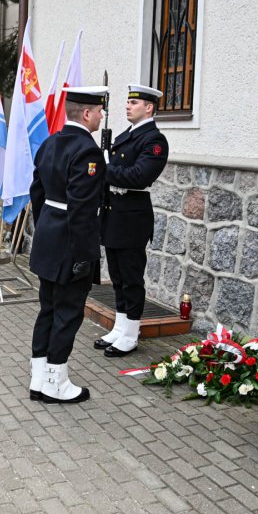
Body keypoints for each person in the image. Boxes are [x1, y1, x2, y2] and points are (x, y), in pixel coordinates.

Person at [28, 86, 108, 404]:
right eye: (100, 110)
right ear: (86, 113)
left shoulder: (50, 143)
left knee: (48, 309)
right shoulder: (87, 151)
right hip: (69, 245)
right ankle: (55, 383)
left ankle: (39, 378)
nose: (102, 115)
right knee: (68, 313)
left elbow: (37, 193)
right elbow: (82, 210)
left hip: (48, 237)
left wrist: (46, 227)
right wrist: (85, 256)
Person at [96, 84, 170, 357]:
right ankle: (120, 326)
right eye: (128, 102)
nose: (128, 106)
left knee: (131, 278)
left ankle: (131, 333)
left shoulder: (154, 141)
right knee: (116, 277)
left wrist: (107, 169)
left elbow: (139, 176)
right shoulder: (128, 135)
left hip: (131, 219)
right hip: (114, 214)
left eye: (134, 102)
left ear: (149, 107)